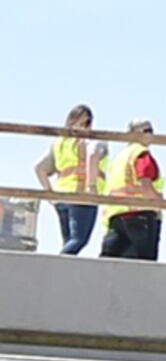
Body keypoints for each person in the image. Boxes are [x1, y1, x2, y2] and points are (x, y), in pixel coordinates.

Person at [33, 107, 99, 257]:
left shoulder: (60, 142)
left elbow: (39, 168)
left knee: (69, 241)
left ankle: (61, 271)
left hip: (61, 197)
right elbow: (93, 154)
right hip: (81, 196)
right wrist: (91, 187)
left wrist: (49, 192)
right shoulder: (86, 140)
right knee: (79, 240)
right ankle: (56, 266)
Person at [98, 125, 164, 261]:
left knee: (109, 263)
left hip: (116, 217)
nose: (151, 134)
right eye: (147, 131)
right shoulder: (141, 154)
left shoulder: (119, 158)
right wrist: (157, 202)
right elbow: (145, 183)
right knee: (143, 266)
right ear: (137, 133)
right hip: (140, 215)